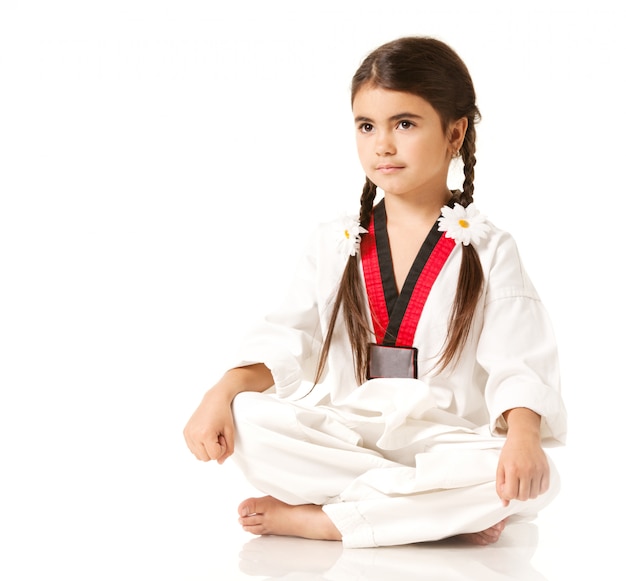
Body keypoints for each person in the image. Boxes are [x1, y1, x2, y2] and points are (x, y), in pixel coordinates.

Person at [183, 36, 567, 548]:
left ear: (455, 133)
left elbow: (518, 359)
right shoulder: (333, 241)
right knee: (249, 420)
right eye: (367, 126)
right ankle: (436, 513)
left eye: (404, 124)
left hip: (438, 440)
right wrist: (221, 391)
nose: (382, 144)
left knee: (537, 481)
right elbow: (287, 336)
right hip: (346, 431)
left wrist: (521, 438)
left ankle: (325, 519)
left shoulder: (490, 248)